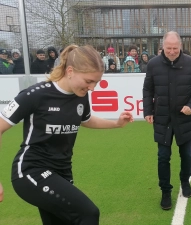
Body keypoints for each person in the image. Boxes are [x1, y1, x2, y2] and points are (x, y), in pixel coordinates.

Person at [0, 44, 134, 224]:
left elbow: (85, 119)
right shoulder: (34, 95)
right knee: (88, 213)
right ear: (70, 71)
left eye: (96, 82)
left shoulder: (81, 96)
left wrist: (116, 124)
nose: (92, 88)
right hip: (31, 171)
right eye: (88, 81)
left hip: (62, 171)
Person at [142, 31, 191, 210]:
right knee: (163, 157)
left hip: (184, 118)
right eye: (168, 48)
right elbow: (147, 90)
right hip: (162, 118)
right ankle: (165, 192)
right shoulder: (153, 65)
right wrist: (148, 110)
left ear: (180, 47)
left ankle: (185, 181)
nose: (171, 51)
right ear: (162, 47)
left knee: (186, 154)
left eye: (175, 48)